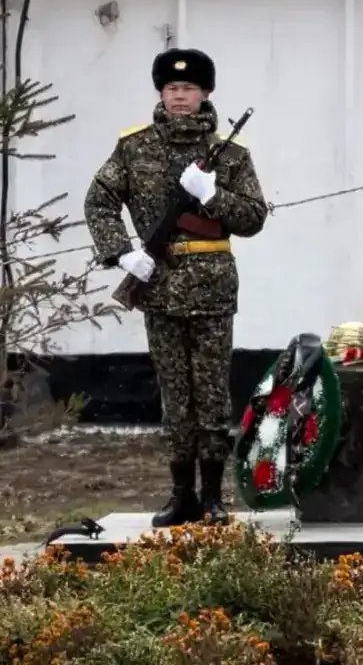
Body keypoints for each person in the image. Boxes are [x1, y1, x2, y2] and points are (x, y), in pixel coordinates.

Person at [83, 48, 269, 528]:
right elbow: (99, 199)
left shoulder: (232, 155)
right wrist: (123, 252)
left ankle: (212, 496)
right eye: (171, 89)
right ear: (161, 93)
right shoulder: (135, 148)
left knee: (212, 397)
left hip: (211, 289)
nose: (180, 96)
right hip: (159, 287)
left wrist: (214, 195)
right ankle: (180, 495)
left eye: (188, 89)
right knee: (175, 398)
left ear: (206, 93)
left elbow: (253, 218)